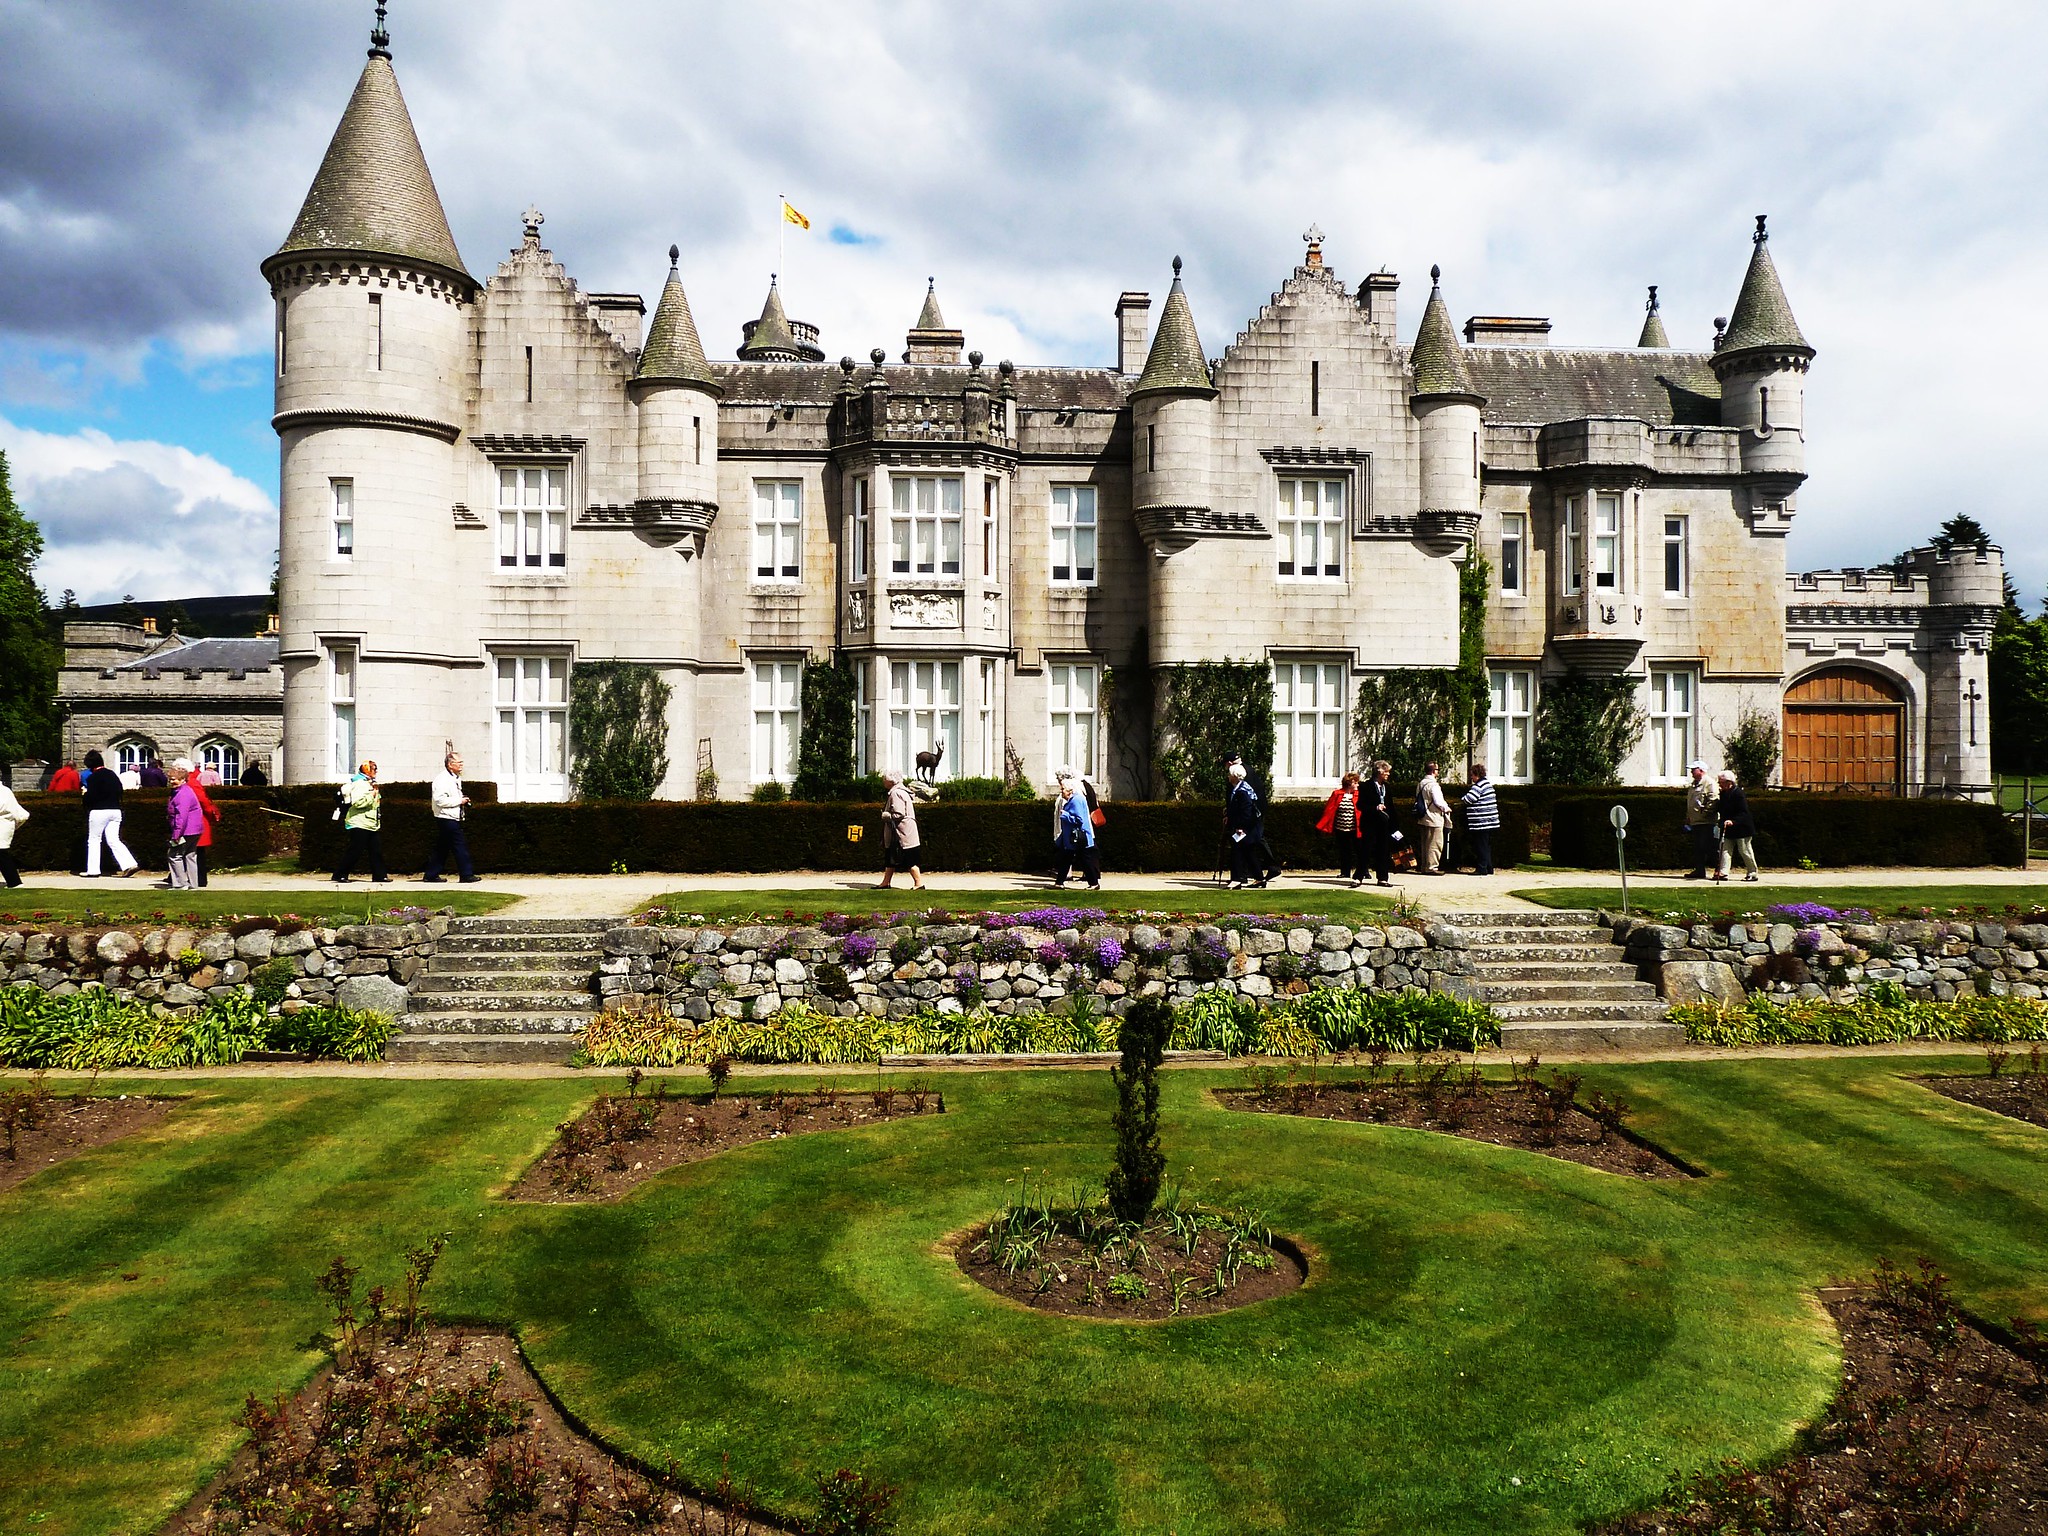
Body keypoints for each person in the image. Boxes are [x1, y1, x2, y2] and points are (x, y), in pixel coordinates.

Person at [79, 750, 140, 878]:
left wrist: (85, 795)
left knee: (94, 840)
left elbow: (92, 797)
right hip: (115, 810)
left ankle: (93, 870)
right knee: (114, 839)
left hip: (99, 811)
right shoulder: (112, 775)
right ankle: (129, 863)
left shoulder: (93, 778)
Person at [423, 751, 479, 883]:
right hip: (446, 817)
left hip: (451, 817)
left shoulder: (454, 778)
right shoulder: (442, 779)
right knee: (459, 845)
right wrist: (460, 801)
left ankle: (431, 874)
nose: (461, 765)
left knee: (442, 847)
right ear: (450, 764)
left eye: (461, 762)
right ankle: (466, 874)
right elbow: (440, 800)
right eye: (459, 762)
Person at [332, 760, 389, 883]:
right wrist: (372, 795)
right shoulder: (360, 784)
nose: (376, 771)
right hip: (359, 822)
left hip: (370, 823)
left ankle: (379, 875)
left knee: (376, 850)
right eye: (374, 768)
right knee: (355, 850)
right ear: (367, 770)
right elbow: (358, 803)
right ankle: (340, 874)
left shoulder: (369, 783)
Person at [1224, 761, 1275, 888]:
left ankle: (1236, 879)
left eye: (1230, 775)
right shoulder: (1241, 788)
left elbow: (1246, 812)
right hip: (1248, 828)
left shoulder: (1242, 791)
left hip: (1245, 828)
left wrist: (1240, 827)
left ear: (1235, 776)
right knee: (1249, 853)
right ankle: (1259, 878)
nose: (1228, 777)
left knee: (1237, 852)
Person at [1316, 771, 1368, 884]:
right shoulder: (1337, 794)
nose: (1358, 785)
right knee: (1344, 850)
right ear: (1350, 783)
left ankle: (1363, 871)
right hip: (1341, 827)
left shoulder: (1359, 794)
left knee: (1360, 850)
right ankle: (1345, 871)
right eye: (1356, 782)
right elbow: (1329, 809)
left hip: (1356, 828)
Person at [177, 758, 221, 886]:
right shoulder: (188, 781)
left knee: (195, 851)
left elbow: (203, 801)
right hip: (194, 819)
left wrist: (211, 813)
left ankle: (199, 879)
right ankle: (189, 877)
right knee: (191, 851)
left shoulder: (191, 782)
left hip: (196, 820)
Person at [876, 771, 924, 889]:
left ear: (891, 781)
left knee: (908, 858)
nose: (883, 781)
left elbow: (899, 814)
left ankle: (919, 883)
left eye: (884, 779)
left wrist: (886, 815)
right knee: (891, 858)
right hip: (903, 832)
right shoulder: (901, 792)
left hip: (901, 833)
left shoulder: (896, 793)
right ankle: (886, 882)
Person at [1053, 773, 1101, 890]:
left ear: (1070, 790)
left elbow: (1079, 820)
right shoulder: (1074, 799)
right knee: (1067, 859)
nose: (1061, 791)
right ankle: (1059, 883)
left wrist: (1065, 815)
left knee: (1085, 861)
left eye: (1063, 789)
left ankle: (1094, 883)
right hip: (1073, 838)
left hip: (1078, 838)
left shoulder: (1076, 800)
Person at [164, 761, 205, 890]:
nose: (171, 782)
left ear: (183, 780)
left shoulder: (182, 794)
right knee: (190, 856)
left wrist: (176, 834)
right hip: (194, 830)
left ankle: (180, 884)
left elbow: (181, 816)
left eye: (174, 779)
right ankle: (193, 884)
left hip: (186, 831)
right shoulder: (184, 791)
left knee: (174, 855)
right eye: (170, 779)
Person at [1716, 770, 1759, 882]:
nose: (1719, 784)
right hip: (1728, 828)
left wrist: (1733, 821)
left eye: (1721, 782)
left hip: (1742, 828)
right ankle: (1723, 872)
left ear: (1729, 782)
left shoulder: (1738, 793)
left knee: (1745, 851)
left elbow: (1743, 812)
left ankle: (1752, 873)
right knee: (1724, 849)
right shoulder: (1723, 794)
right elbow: (1722, 809)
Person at [1459, 761, 1500, 875]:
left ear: (1477, 774)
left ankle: (1482, 868)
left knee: (1481, 846)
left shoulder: (1479, 786)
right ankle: (1489, 867)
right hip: (1490, 822)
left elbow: (1468, 799)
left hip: (1482, 822)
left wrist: (1462, 798)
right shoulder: (1488, 784)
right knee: (1486, 846)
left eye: (1472, 775)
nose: (1471, 777)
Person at [1683, 760, 1720, 880]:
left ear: (1702, 771)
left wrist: (1705, 813)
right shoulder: (1694, 784)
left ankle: (1718, 870)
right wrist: (1689, 817)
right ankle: (1699, 870)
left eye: (1694, 770)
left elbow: (1713, 801)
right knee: (1698, 848)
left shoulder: (1709, 783)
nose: (1691, 772)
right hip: (1696, 821)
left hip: (1707, 822)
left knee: (1709, 847)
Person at [1415, 761, 1451, 876]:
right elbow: (1438, 801)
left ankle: (1424, 866)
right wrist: (1446, 808)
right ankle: (1432, 867)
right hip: (1434, 817)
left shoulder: (1421, 784)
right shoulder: (1433, 785)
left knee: (1425, 843)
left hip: (1422, 816)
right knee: (1435, 844)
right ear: (1433, 771)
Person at [0, 780, 27, 888]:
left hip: (3, 824)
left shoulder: (4, 791)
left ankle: (14, 882)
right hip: (6, 824)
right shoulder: (5, 791)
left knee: (2, 853)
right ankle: (14, 881)